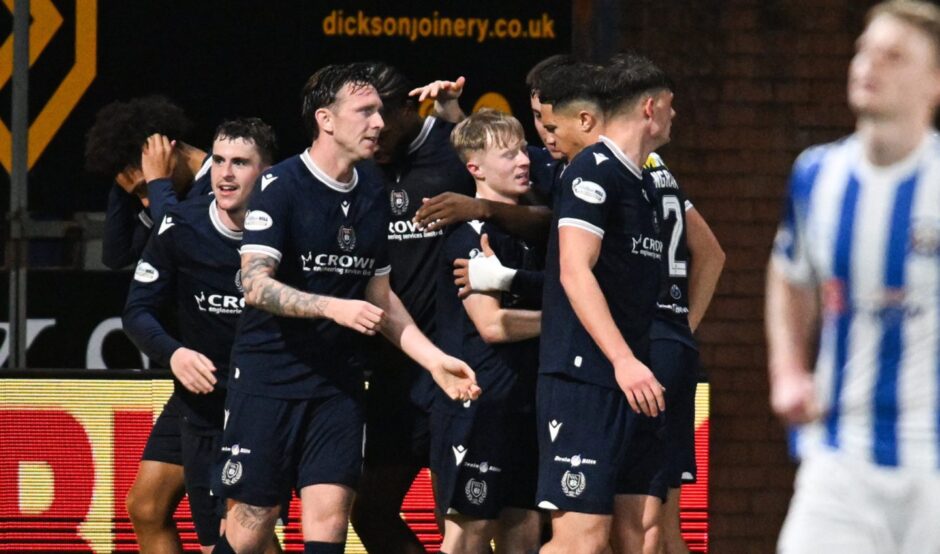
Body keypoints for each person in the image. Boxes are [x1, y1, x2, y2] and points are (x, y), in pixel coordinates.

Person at [214, 63, 480, 554]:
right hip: (270, 378)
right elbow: (254, 284)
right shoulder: (281, 186)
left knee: (331, 523)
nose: (379, 122)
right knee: (253, 523)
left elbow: (381, 298)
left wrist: (434, 360)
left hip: (338, 385)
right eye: (365, 111)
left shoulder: (373, 191)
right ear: (326, 120)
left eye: (380, 111)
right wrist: (331, 307)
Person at [766, 2, 940, 552]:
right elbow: (789, 273)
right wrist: (788, 369)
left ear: (934, 82)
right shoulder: (818, 175)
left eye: (893, 56)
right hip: (839, 457)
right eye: (865, 50)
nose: (869, 65)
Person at [535, 55, 672, 554]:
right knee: (582, 541)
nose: (675, 118)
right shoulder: (591, 170)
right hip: (586, 380)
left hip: (635, 380)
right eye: (672, 107)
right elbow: (575, 269)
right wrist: (622, 360)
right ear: (651, 108)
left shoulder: (645, 183)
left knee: (638, 537)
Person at [122, 118, 277, 553]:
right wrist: (173, 354)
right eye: (220, 161)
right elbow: (136, 311)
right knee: (147, 507)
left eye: (240, 163)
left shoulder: (288, 229)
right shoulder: (181, 226)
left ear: (267, 173)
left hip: (253, 399)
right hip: (198, 392)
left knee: (240, 533)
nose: (225, 173)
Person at [348, 63, 476, 554]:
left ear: (408, 108)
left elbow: (522, 188)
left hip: (458, 365)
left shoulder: (453, 149)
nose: (374, 131)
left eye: (382, 118)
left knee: (461, 521)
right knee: (371, 511)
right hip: (392, 372)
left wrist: (480, 207)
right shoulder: (359, 168)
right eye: (363, 119)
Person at [432, 110, 543, 553]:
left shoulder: (533, 231)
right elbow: (493, 325)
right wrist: (569, 325)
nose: (523, 161)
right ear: (474, 168)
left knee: (525, 532)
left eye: (523, 150)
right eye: (508, 154)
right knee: (469, 537)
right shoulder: (469, 237)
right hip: (479, 406)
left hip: (527, 404)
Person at [84, 95, 212, 269]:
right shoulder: (167, 197)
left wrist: (158, 181)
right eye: (139, 193)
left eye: (145, 186)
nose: (146, 202)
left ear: (166, 149)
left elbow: (180, 244)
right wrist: (121, 176)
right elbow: (116, 257)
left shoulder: (222, 183)